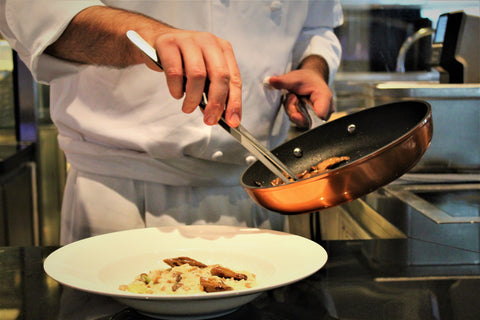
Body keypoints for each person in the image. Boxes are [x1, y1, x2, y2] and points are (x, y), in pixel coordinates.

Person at [0, 0, 343, 244]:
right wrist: (144, 35)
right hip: (121, 197)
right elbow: (32, 10)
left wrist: (313, 66)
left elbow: (317, 26)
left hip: (257, 193)